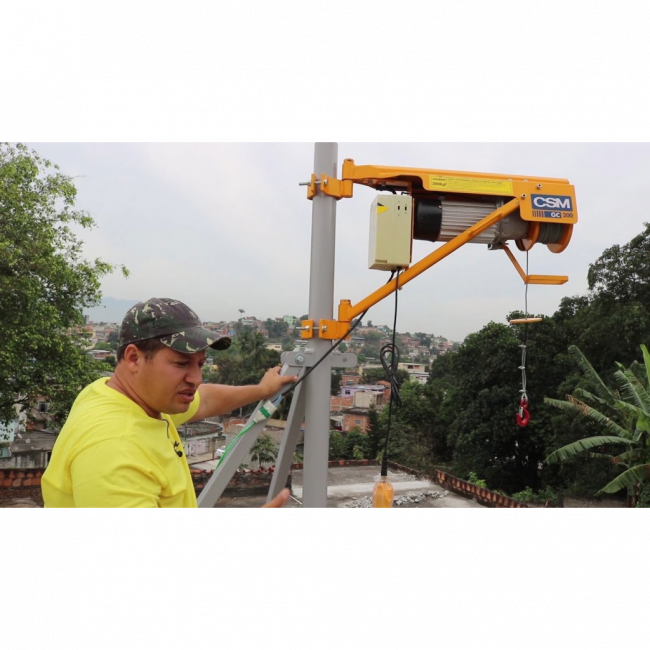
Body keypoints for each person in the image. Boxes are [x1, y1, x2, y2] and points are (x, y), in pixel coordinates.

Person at [41, 298, 298, 508]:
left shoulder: (117, 395)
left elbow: (206, 399)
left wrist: (262, 390)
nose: (196, 379)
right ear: (134, 358)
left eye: (200, 364)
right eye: (181, 363)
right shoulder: (116, 453)